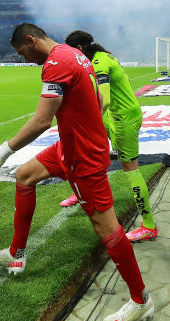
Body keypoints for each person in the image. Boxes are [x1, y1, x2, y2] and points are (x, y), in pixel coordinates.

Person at [0, 23, 154, 321]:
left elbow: (42, 120)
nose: (25, 60)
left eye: (23, 53)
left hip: (83, 157)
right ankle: (16, 254)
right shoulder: (74, 53)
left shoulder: (56, 62)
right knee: (25, 176)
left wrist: (1, 152)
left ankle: (141, 301)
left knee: (107, 228)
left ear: (31, 41)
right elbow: (96, 102)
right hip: (71, 145)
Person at [63, 30, 156, 243]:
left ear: (78, 50)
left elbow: (103, 100)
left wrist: (88, 124)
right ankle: (82, 194)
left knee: (130, 168)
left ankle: (149, 225)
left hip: (125, 119)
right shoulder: (101, 56)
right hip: (116, 116)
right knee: (87, 151)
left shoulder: (98, 62)